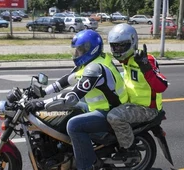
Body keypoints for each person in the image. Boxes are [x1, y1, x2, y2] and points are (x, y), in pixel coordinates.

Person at [25, 29, 128, 170]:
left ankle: (86, 165)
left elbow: (72, 97)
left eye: (79, 50)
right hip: (98, 107)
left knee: (73, 125)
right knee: (67, 112)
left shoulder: (95, 69)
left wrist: (42, 104)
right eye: (76, 50)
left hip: (110, 112)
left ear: (90, 49)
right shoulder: (90, 62)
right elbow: (65, 81)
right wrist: (43, 92)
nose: (76, 53)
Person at [106, 23, 168, 160]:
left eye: (122, 46)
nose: (117, 49)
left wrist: (146, 67)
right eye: (114, 46)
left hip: (147, 109)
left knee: (114, 117)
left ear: (132, 42)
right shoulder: (127, 61)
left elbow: (162, 86)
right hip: (132, 104)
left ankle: (129, 150)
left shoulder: (146, 60)